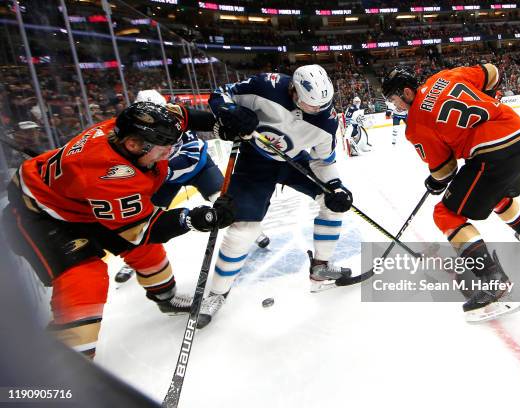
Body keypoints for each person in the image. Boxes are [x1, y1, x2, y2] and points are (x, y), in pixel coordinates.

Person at [2, 102, 235, 358]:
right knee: (84, 278)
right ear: (133, 145)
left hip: (78, 200)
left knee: (145, 252)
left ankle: (165, 298)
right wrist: (195, 218)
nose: (169, 152)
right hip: (39, 212)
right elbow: (143, 230)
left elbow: (178, 115)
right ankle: (63, 364)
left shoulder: (129, 129)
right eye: (163, 147)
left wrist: (219, 124)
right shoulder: (109, 177)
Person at [381, 65, 520, 321]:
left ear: (406, 92)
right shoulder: (444, 77)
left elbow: (445, 170)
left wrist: (435, 182)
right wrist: (489, 96)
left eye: (394, 99)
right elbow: (492, 71)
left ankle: (493, 280)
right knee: (494, 193)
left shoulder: (415, 124)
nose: (396, 106)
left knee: (446, 214)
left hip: (491, 155)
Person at [196, 65, 354, 328]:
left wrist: (335, 186)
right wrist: (230, 111)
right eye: (313, 105)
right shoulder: (265, 85)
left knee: (333, 204)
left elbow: (323, 162)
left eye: (324, 104)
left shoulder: (327, 120)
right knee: (243, 230)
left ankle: (320, 268)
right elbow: (221, 94)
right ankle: (217, 293)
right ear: (293, 90)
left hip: (294, 162)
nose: (320, 111)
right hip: (254, 162)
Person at [114, 91, 270, 284]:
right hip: (167, 179)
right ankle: (136, 259)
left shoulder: (173, 119)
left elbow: (192, 156)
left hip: (199, 169)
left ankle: (252, 232)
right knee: (146, 221)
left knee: (226, 204)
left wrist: (161, 171)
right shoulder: (137, 131)